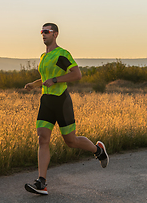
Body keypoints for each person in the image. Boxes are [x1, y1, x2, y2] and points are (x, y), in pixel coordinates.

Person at [24, 23, 109, 195]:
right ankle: (42, 182)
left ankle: (98, 150)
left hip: (61, 102)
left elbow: (76, 74)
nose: (43, 34)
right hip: (46, 101)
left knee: (71, 141)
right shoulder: (43, 56)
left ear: (55, 34)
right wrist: (34, 84)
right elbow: (46, 78)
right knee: (42, 139)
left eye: (46, 32)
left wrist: (55, 80)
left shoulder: (61, 54)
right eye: (42, 32)